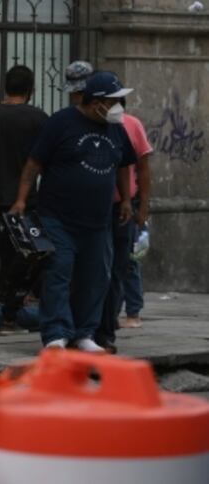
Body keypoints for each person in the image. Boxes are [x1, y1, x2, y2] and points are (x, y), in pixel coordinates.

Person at [11, 71, 136, 352]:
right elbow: (33, 164)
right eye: (114, 101)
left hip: (98, 220)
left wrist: (126, 199)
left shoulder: (116, 128)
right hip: (58, 217)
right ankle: (56, 333)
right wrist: (21, 200)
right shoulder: (61, 122)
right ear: (96, 102)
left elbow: (124, 165)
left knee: (95, 277)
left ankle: (84, 334)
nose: (119, 107)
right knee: (59, 271)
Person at [0, 65, 48, 334]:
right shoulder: (38, 118)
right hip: (24, 201)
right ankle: (8, 317)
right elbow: (45, 160)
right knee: (28, 259)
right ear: (31, 89)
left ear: (5, 86)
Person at [94, 97, 153, 352]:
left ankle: (119, 318)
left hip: (122, 207)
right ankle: (96, 322)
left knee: (123, 264)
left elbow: (141, 167)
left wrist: (142, 206)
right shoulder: (87, 125)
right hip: (92, 207)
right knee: (96, 266)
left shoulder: (130, 125)